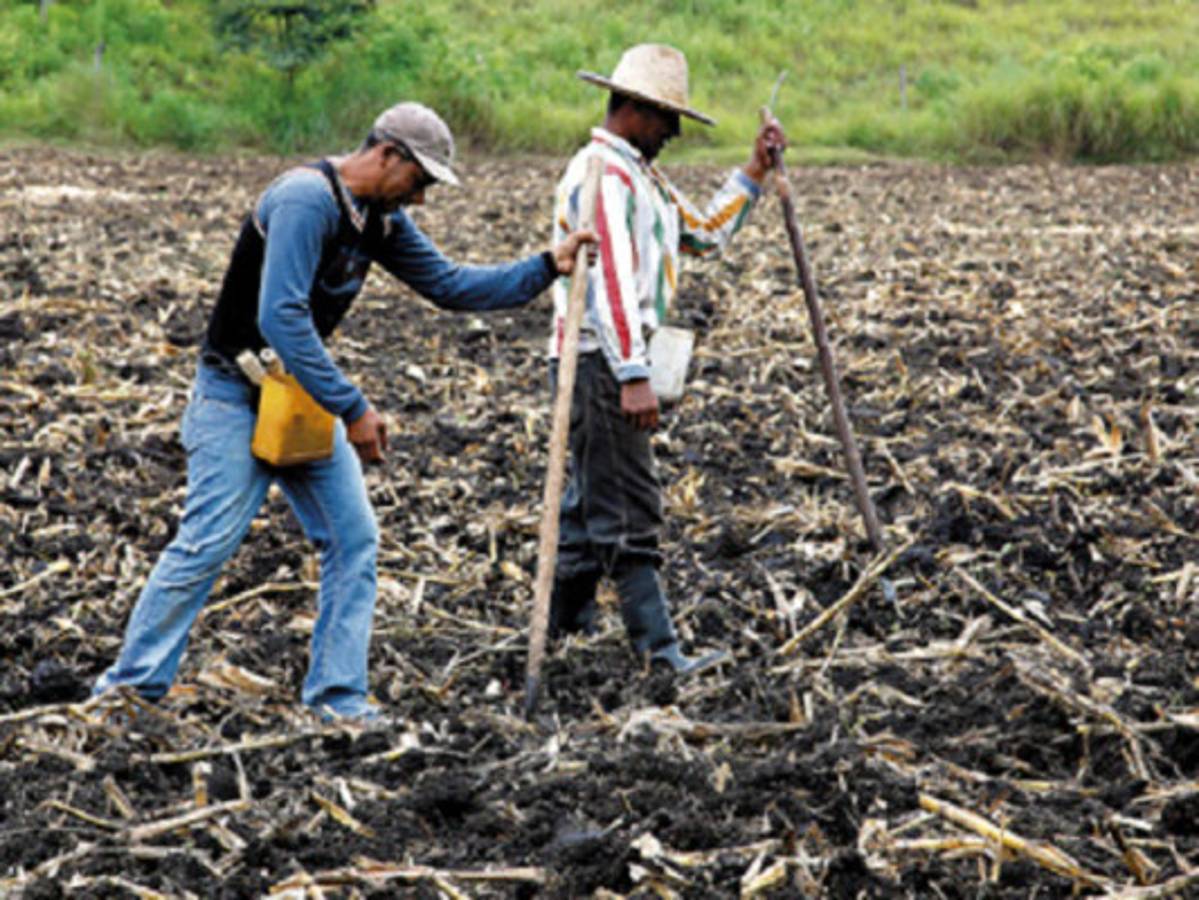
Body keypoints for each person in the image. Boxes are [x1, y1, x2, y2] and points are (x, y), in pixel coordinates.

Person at [94, 102, 594, 722]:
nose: (421, 198)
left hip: (297, 398)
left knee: (353, 539)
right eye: (419, 180)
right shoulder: (308, 199)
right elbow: (282, 315)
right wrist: (353, 407)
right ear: (388, 155)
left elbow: (451, 286)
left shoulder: (380, 221)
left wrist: (548, 266)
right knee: (207, 544)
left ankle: (338, 700)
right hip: (233, 395)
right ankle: (128, 693)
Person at [547, 44, 785, 674]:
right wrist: (632, 374)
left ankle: (563, 627)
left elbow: (702, 232)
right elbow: (610, 285)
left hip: (614, 362)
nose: (673, 132)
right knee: (628, 502)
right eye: (664, 118)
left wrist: (754, 171)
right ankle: (660, 653)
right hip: (599, 361)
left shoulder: (642, 177)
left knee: (586, 500)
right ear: (630, 108)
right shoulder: (600, 174)